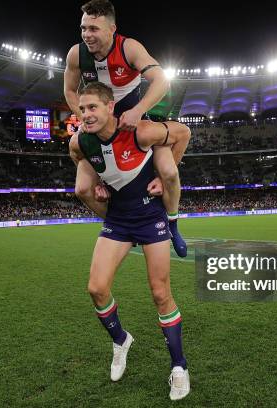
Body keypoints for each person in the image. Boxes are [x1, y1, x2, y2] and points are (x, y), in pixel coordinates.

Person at [68, 82, 191, 400]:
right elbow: (78, 159)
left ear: (110, 107)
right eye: (82, 109)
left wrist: (163, 176)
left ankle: (179, 367)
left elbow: (183, 133)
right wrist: (97, 183)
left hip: (151, 219)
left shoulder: (140, 131)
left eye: (92, 107)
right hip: (118, 221)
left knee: (161, 293)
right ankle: (121, 340)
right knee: (96, 289)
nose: (86, 114)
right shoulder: (80, 142)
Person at [64, 0, 187, 257]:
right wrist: (83, 118)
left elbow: (161, 80)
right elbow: (68, 90)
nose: (87, 34)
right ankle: (119, 227)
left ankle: (173, 224)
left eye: (94, 29)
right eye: (83, 28)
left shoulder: (128, 47)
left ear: (112, 29)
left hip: (134, 123)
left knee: (168, 172)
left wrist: (138, 110)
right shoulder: (76, 54)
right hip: (101, 126)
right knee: (83, 189)